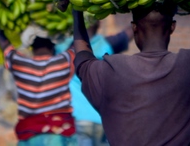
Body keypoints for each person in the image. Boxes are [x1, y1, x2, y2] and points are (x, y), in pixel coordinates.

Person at [72, 0, 190, 146]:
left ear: (134, 28)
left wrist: (76, 11)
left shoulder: (111, 70)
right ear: (172, 27)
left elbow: (83, 60)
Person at [55, 12, 133, 146]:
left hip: (78, 119)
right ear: (99, 24)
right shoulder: (108, 44)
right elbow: (129, 33)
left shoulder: (63, 49)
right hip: (102, 120)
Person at [0, 23, 78, 146]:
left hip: (29, 134)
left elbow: (4, 44)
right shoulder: (64, 61)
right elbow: (77, 44)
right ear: (53, 45)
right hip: (59, 131)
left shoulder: (20, 63)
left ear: (31, 47)